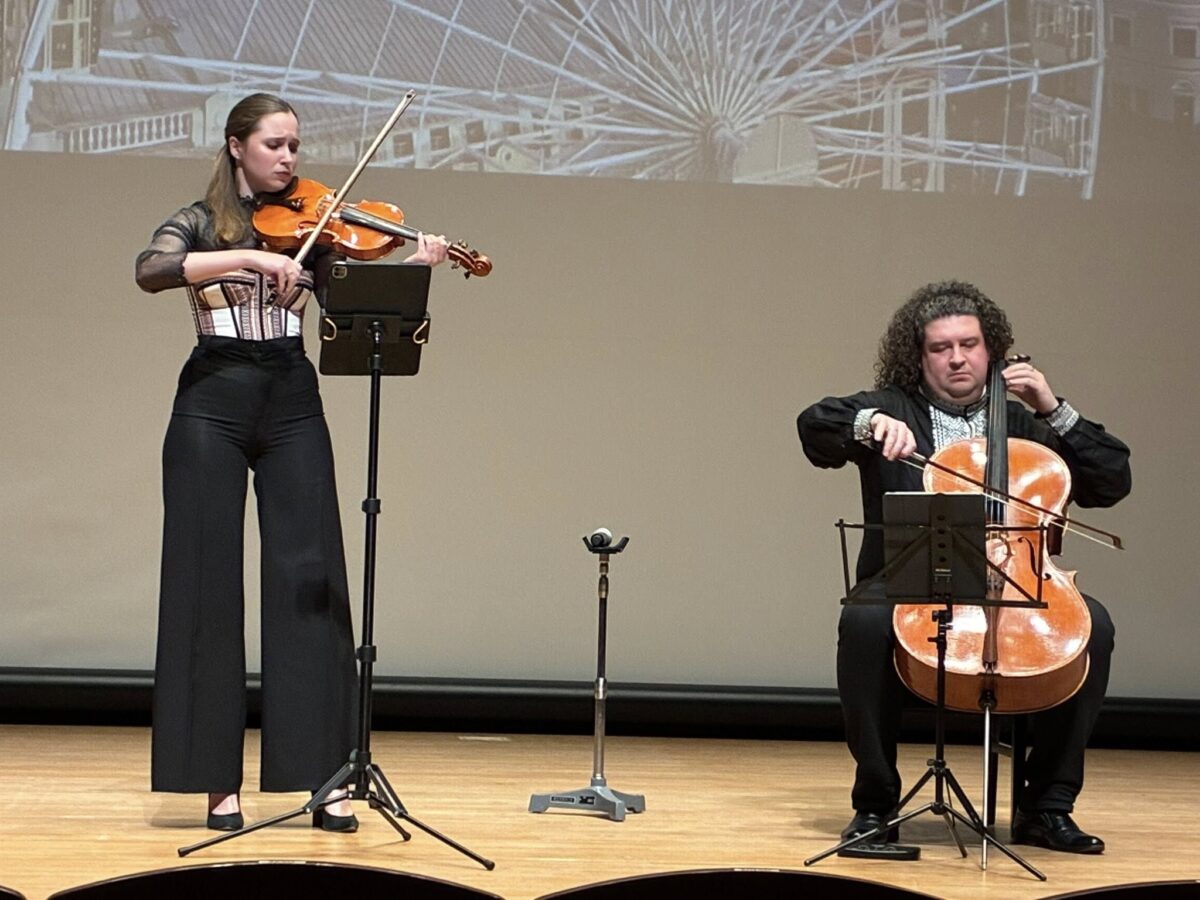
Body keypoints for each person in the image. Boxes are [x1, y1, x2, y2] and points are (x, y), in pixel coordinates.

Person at [135, 92, 449, 831]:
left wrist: (416, 265)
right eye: (274, 145)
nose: (289, 158)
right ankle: (215, 782)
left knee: (311, 583)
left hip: (291, 400)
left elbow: (353, 304)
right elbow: (151, 269)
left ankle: (324, 776)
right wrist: (249, 255)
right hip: (211, 401)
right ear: (236, 146)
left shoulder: (317, 227)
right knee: (205, 585)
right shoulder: (200, 221)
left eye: (295, 146)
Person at [797, 281, 1130, 855]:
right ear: (919, 356)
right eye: (941, 347)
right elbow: (813, 427)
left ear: (991, 349)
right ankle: (875, 804)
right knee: (864, 621)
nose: (957, 358)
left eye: (969, 344)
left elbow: (1111, 481)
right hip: (912, 580)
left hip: (1018, 580)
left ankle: (1046, 807)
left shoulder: (1026, 426)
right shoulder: (894, 408)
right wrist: (869, 424)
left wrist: (1053, 407)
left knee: (1091, 629)